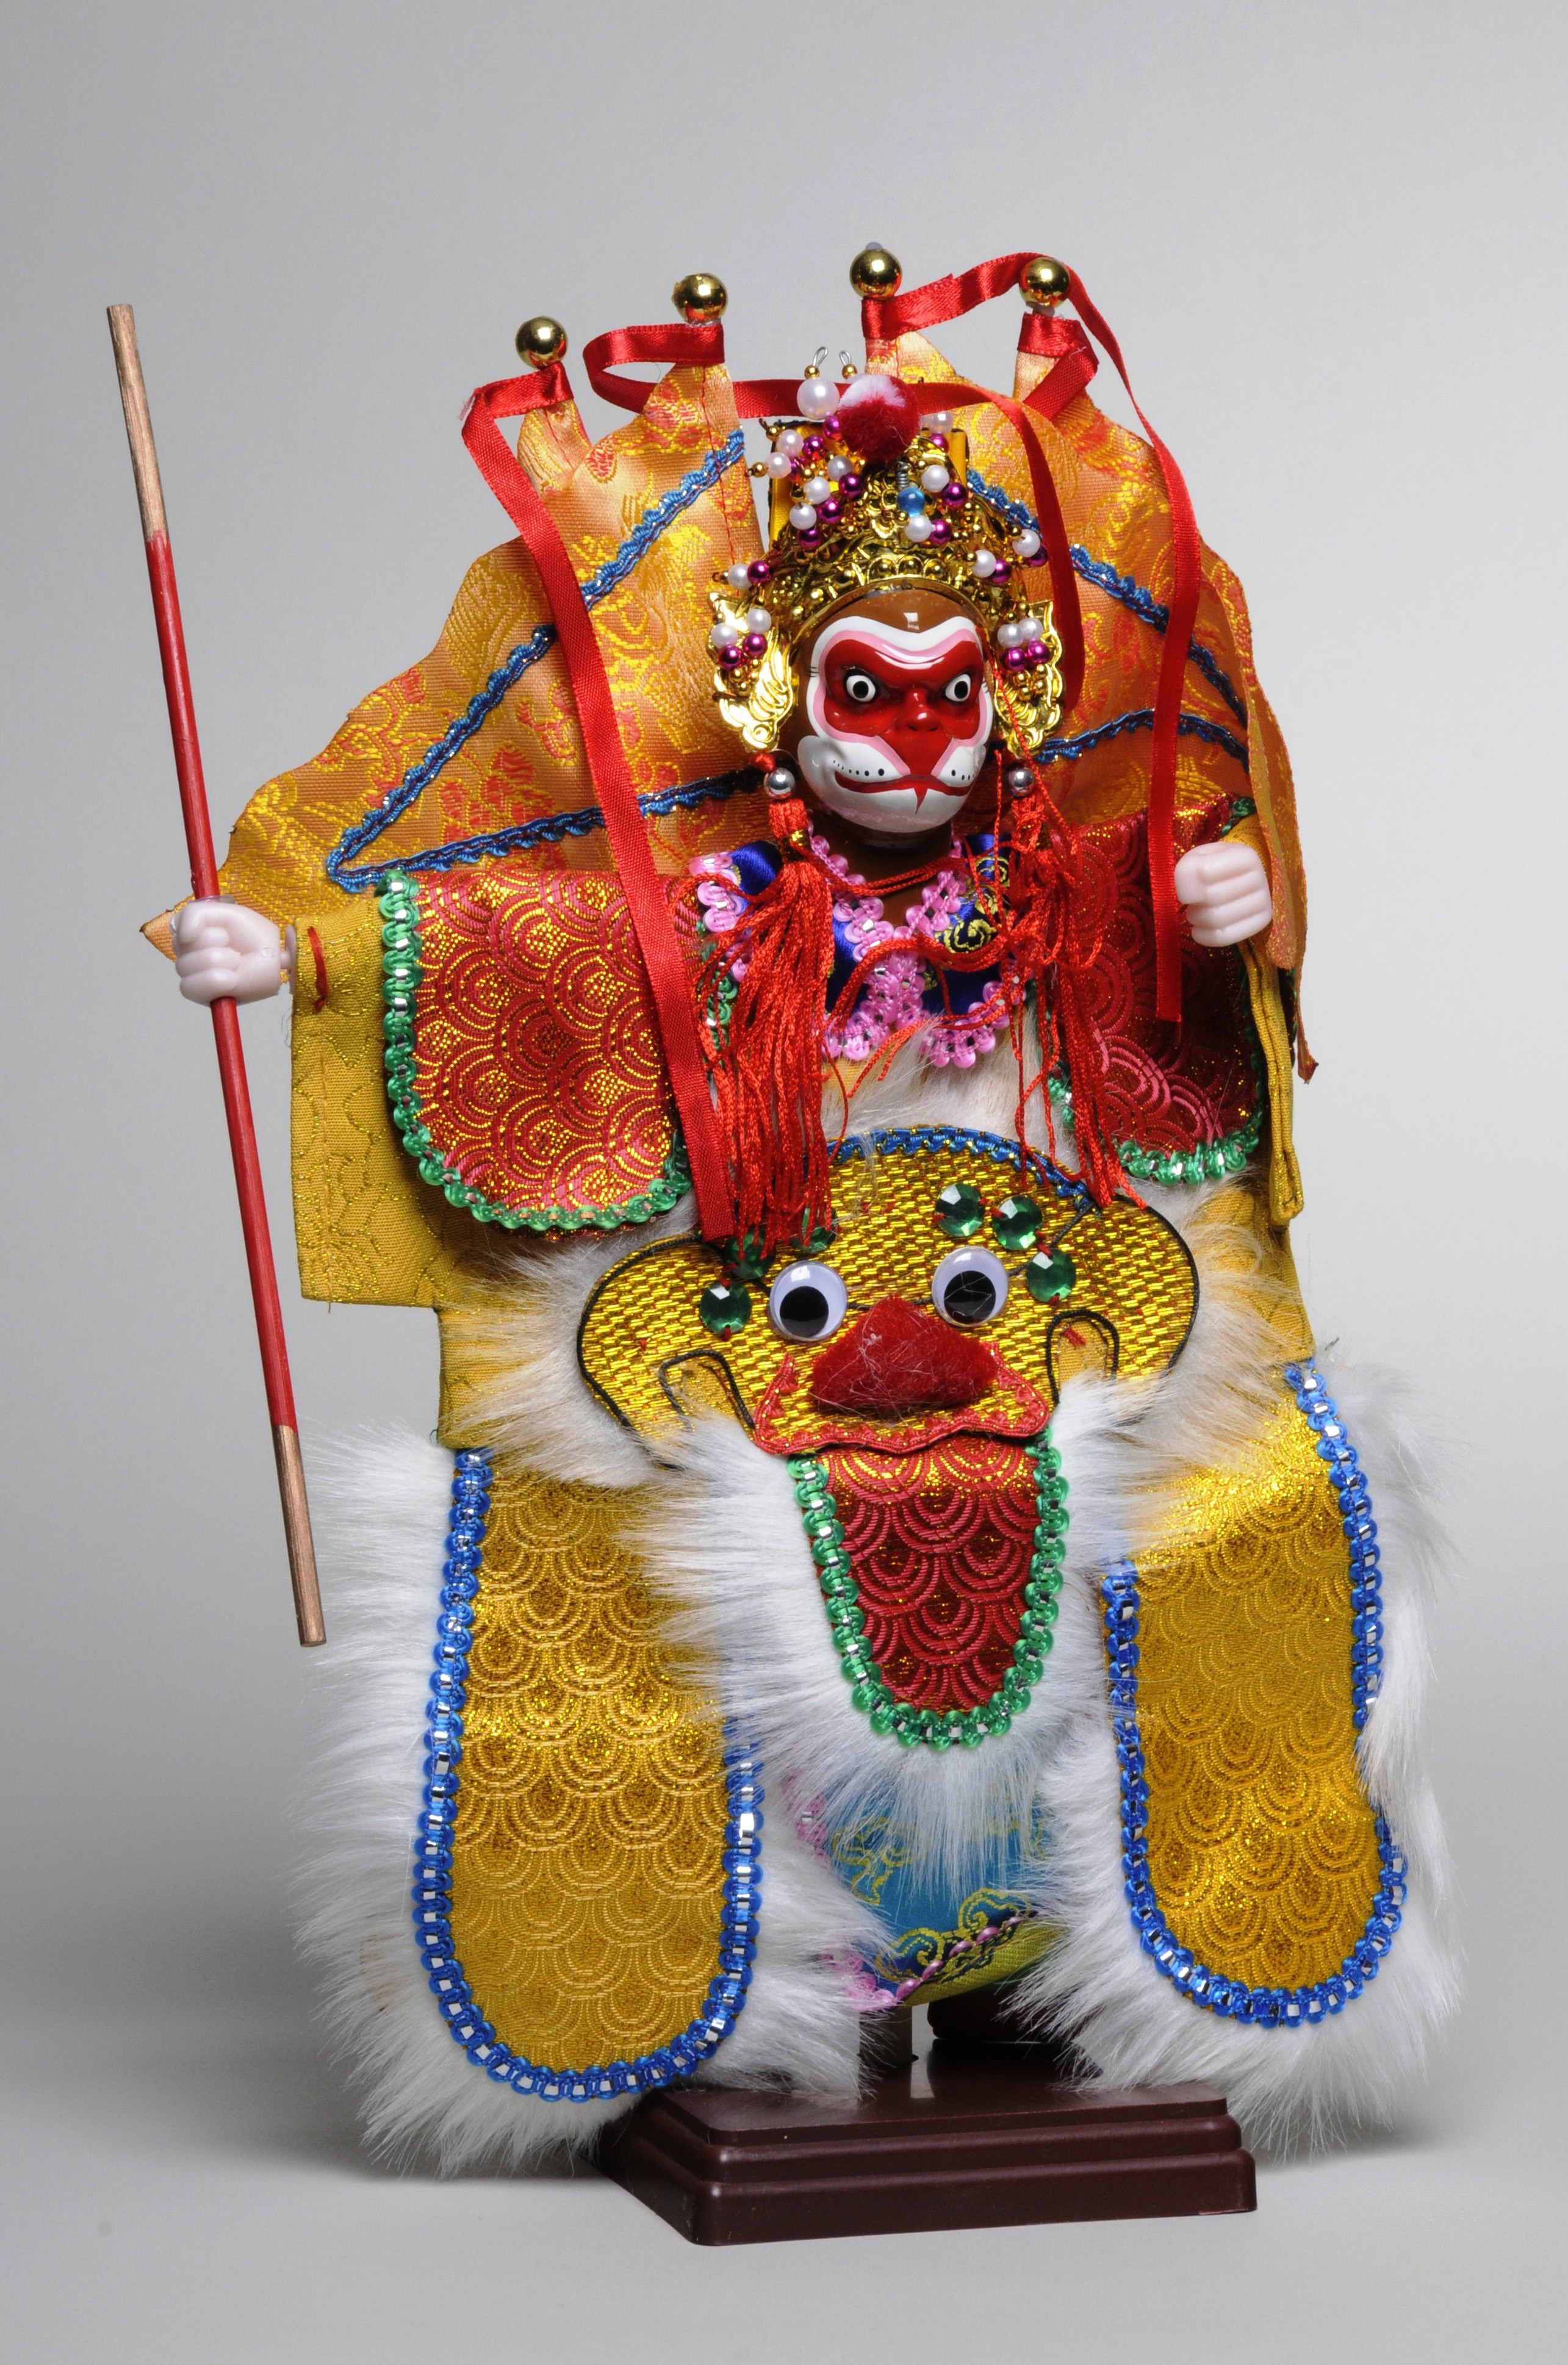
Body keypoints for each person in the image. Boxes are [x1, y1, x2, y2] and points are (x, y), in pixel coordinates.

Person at [153, 254, 1453, 2168]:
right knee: (607, 1555)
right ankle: (744, 1967)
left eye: (948, 698)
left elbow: (1208, 919)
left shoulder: (1060, 887)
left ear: (1009, 701)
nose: (909, 739)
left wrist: (1231, 903)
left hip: (1036, 1335)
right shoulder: (698, 905)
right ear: (780, 692)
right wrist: (313, 949)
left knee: (1250, 1500)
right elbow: (513, 925)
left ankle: (1050, 1963)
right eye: (865, 692)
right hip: (751, 1339)